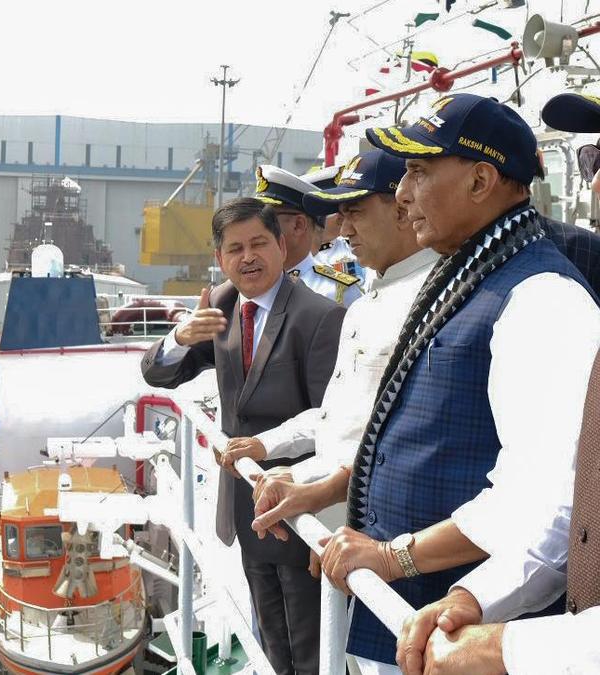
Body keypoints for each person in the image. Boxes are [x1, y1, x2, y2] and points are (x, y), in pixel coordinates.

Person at [308, 93, 600, 675]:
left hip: (462, 636)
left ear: (480, 181)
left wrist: (398, 557)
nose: (402, 193)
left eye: (418, 171)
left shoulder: (541, 296)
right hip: (430, 618)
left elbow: (548, 502)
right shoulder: (476, 274)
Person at [141, 197, 345, 675]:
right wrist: (180, 337)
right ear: (220, 258)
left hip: (299, 507)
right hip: (244, 504)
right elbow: (157, 374)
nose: (248, 257)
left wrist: (314, 500)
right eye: (235, 249)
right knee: (270, 640)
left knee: (311, 649)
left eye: (258, 244)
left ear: (281, 246)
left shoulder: (318, 317)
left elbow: (331, 420)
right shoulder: (223, 306)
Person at [220, 150, 436, 544]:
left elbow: (406, 441)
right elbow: (339, 415)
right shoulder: (368, 304)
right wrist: (268, 445)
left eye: (355, 213)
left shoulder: (433, 300)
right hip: (343, 519)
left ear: (402, 210)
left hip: (390, 533)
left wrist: (309, 481)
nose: (343, 230)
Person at [256, 165, 363, 306]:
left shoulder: (335, 291)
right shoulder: (249, 284)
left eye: (267, 219)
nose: (256, 228)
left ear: (298, 225)